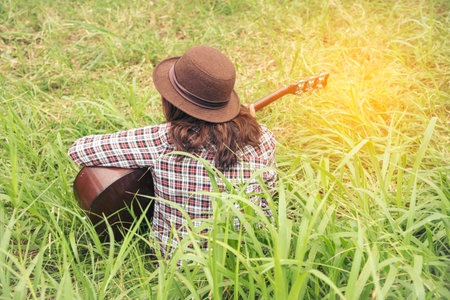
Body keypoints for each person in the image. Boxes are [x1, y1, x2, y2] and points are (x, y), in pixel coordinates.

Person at [68, 45, 277, 257]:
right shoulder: (264, 138)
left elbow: (78, 150)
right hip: (247, 259)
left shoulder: (163, 140)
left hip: (178, 265)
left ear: (171, 101)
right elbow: (269, 197)